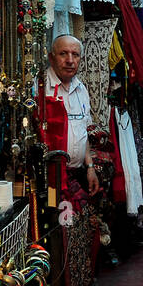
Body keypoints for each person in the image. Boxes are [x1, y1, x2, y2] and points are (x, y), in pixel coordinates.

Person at [44, 34, 99, 196]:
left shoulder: (81, 89)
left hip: (77, 173)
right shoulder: (41, 87)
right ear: (51, 58)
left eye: (75, 55)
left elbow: (83, 134)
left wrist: (90, 167)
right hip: (51, 179)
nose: (70, 60)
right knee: (55, 216)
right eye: (63, 54)